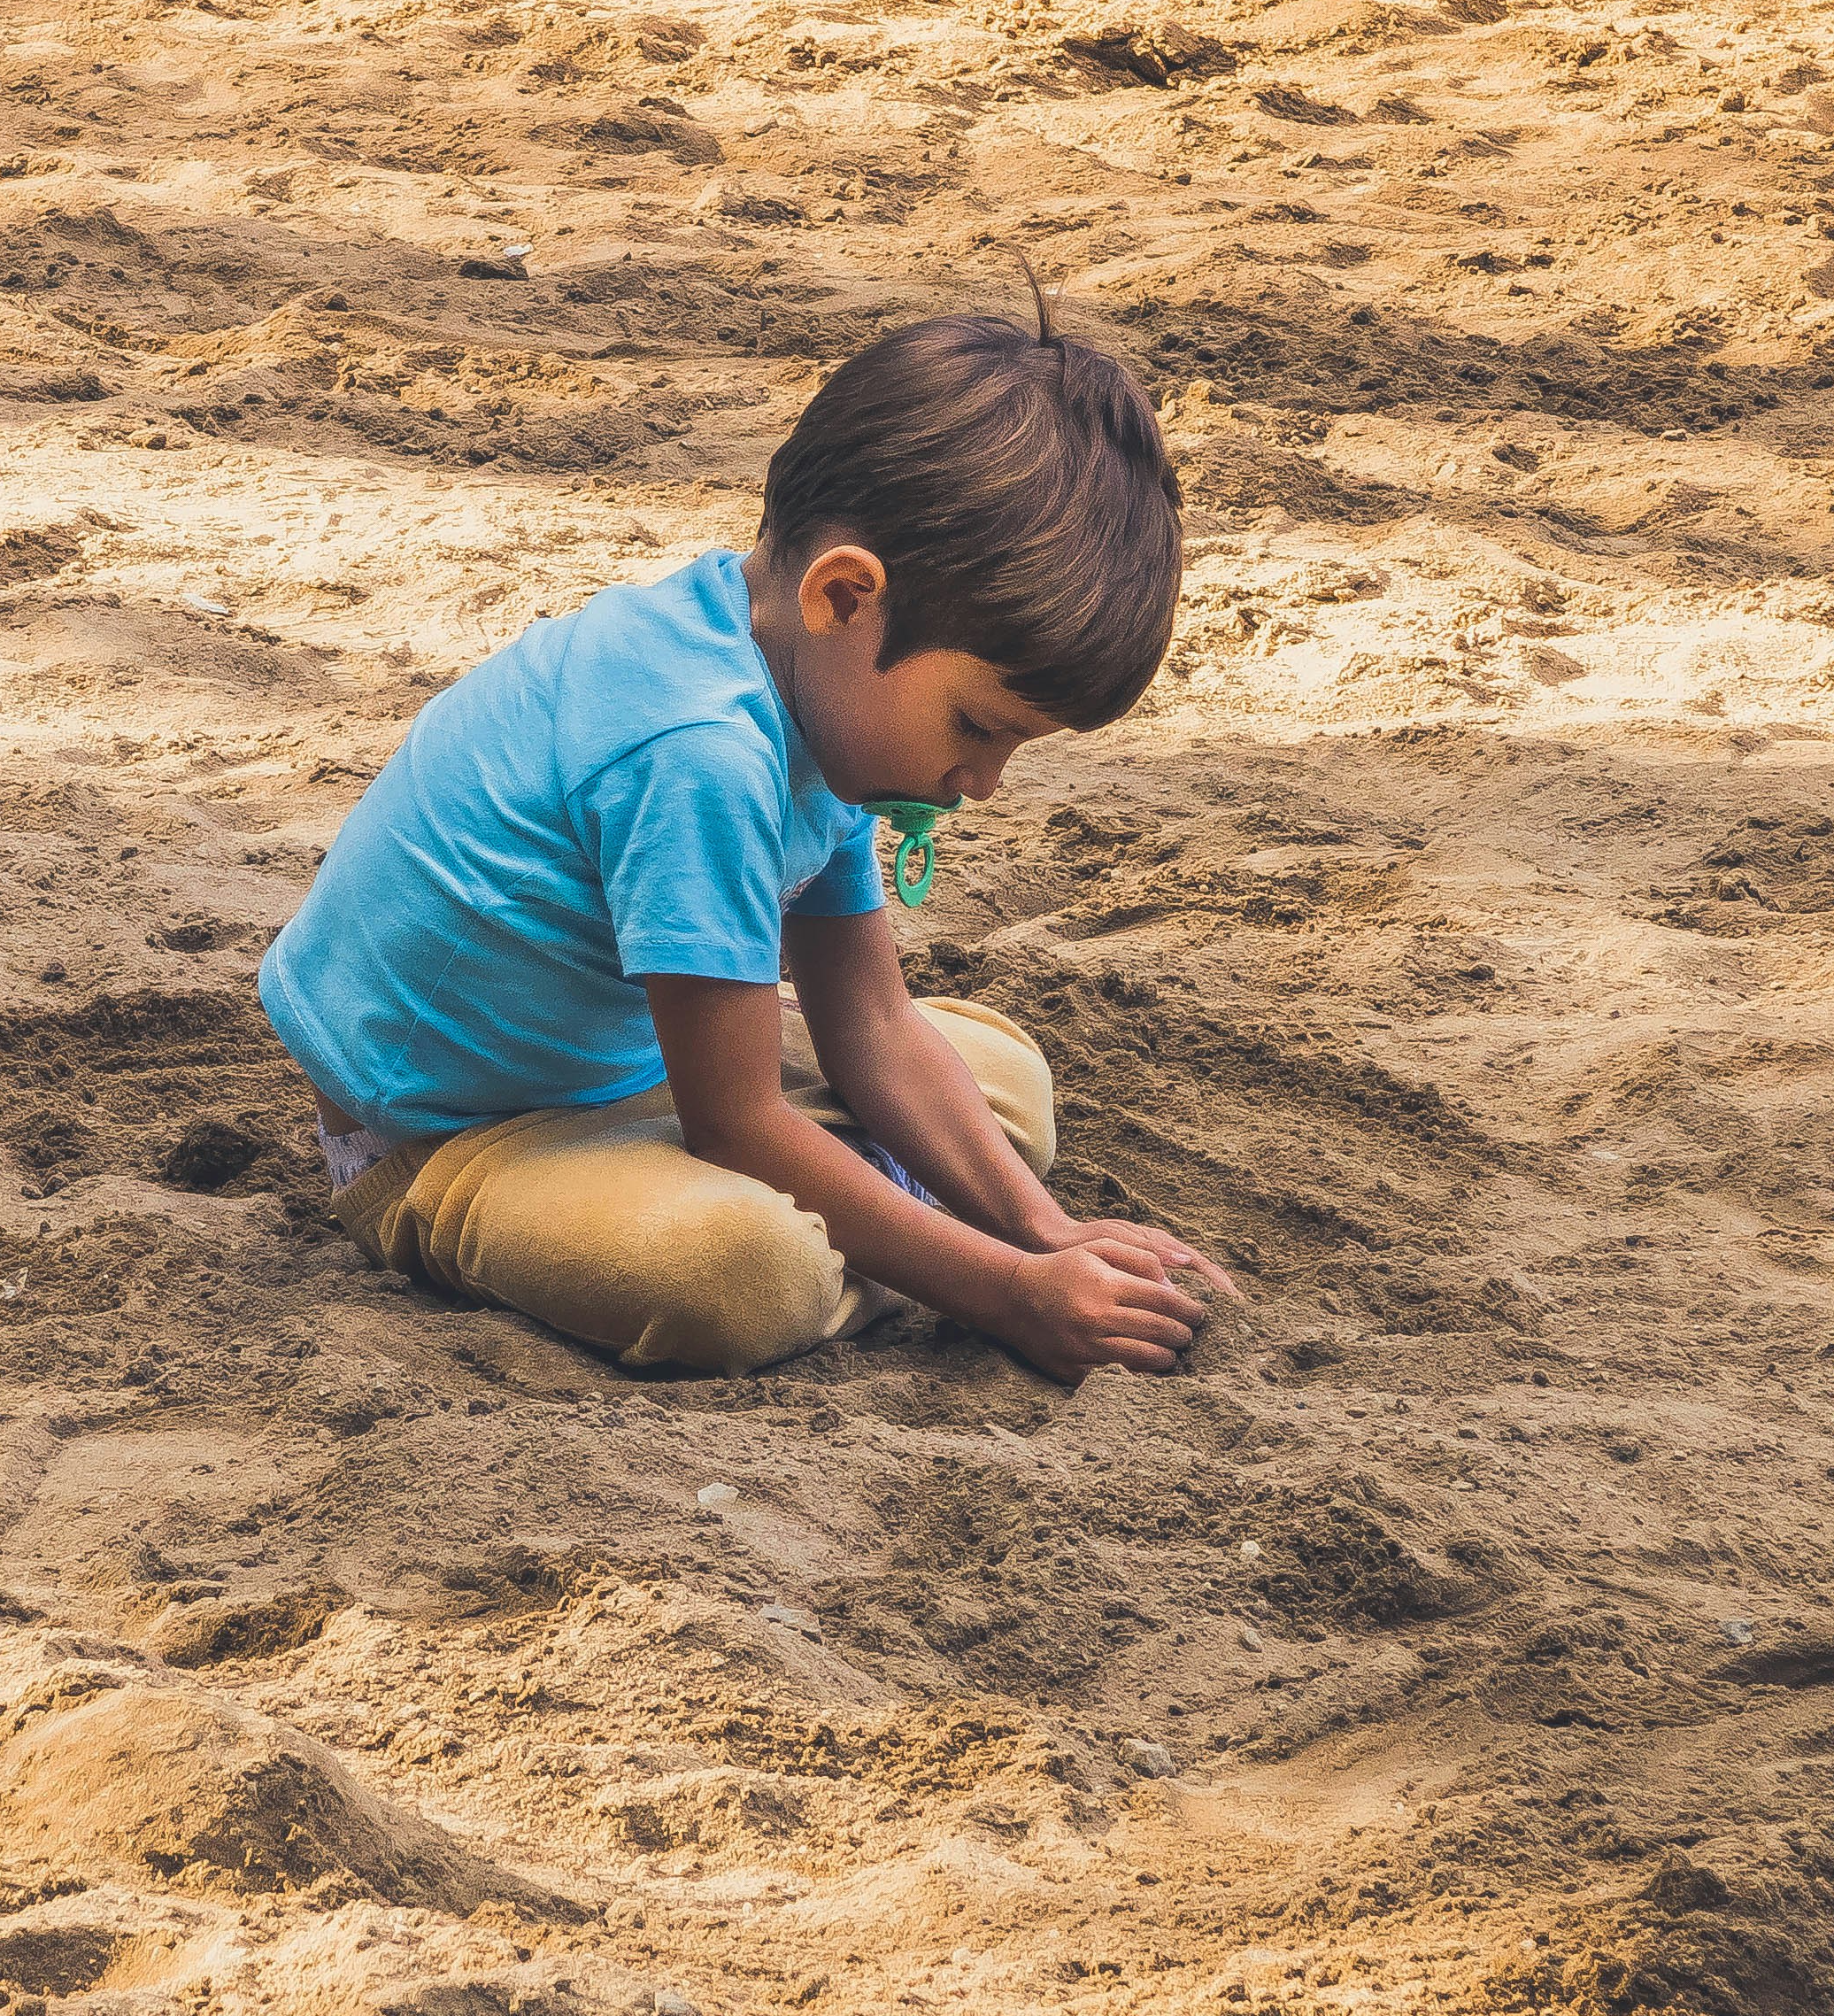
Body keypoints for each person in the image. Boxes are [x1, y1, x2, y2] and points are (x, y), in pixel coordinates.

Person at [258, 298, 1237, 1379]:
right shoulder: (700, 750)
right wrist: (1008, 1292)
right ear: (845, 596)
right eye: (976, 727)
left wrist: (1045, 1233)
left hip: (639, 1068)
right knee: (743, 1272)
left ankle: (884, 1228)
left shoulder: (805, 685)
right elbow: (736, 1124)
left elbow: (867, 1015)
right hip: (453, 1132)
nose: (981, 785)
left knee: (1006, 1080)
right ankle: (883, 1234)